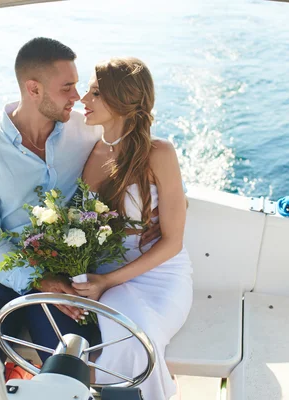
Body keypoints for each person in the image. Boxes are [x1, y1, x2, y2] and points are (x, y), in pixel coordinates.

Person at [0, 37, 106, 400]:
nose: (77, 97)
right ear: (33, 88)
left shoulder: (85, 130)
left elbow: (128, 139)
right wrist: (37, 280)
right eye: (67, 87)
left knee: (73, 361)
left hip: (61, 265)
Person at [74, 57, 193, 400]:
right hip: (104, 274)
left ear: (121, 100)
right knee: (127, 335)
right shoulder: (89, 152)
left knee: (133, 334)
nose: (84, 100)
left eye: (95, 93)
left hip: (159, 274)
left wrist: (107, 282)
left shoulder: (160, 154)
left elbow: (172, 242)